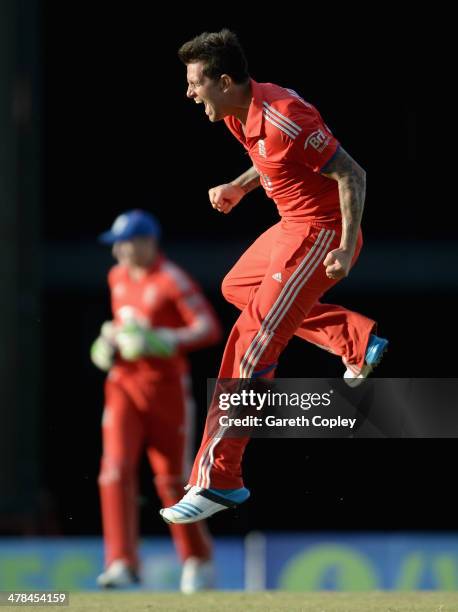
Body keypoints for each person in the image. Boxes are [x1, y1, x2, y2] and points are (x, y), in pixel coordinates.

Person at [160, 29, 388, 525]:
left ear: (224, 81)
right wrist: (241, 188)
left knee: (253, 345)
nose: (189, 93)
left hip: (321, 234)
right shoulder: (240, 110)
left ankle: (219, 480)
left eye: (196, 82)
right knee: (235, 288)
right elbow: (271, 163)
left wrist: (346, 247)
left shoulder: (287, 117)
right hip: (289, 227)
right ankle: (354, 340)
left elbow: (353, 174)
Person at [90, 209, 222, 591]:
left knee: (172, 481)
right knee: (113, 470)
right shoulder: (116, 277)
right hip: (123, 386)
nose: (119, 252)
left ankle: (197, 559)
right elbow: (125, 325)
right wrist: (108, 341)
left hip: (165, 390)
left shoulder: (171, 279)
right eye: (116, 244)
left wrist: (166, 339)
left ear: (148, 243)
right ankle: (121, 562)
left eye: (125, 243)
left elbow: (207, 328)